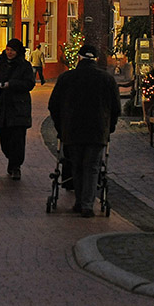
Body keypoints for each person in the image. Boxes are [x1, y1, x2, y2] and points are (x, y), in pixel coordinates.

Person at [48, 44, 120, 218]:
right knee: (92, 167)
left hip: (72, 131)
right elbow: (116, 108)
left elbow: (53, 105)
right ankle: (88, 204)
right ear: (95, 59)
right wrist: (109, 128)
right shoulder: (107, 79)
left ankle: (80, 201)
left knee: (76, 165)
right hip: (97, 131)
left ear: (79, 58)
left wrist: (61, 127)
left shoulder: (66, 78)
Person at [0, 38, 35, 180]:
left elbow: (29, 84)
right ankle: (11, 158)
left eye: (12, 50)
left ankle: (16, 166)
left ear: (18, 51)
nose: (9, 53)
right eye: (8, 49)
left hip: (19, 107)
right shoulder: (1, 63)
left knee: (18, 137)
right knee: (5, 137)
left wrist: (12, 84)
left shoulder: (25, 66)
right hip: (4, 105)